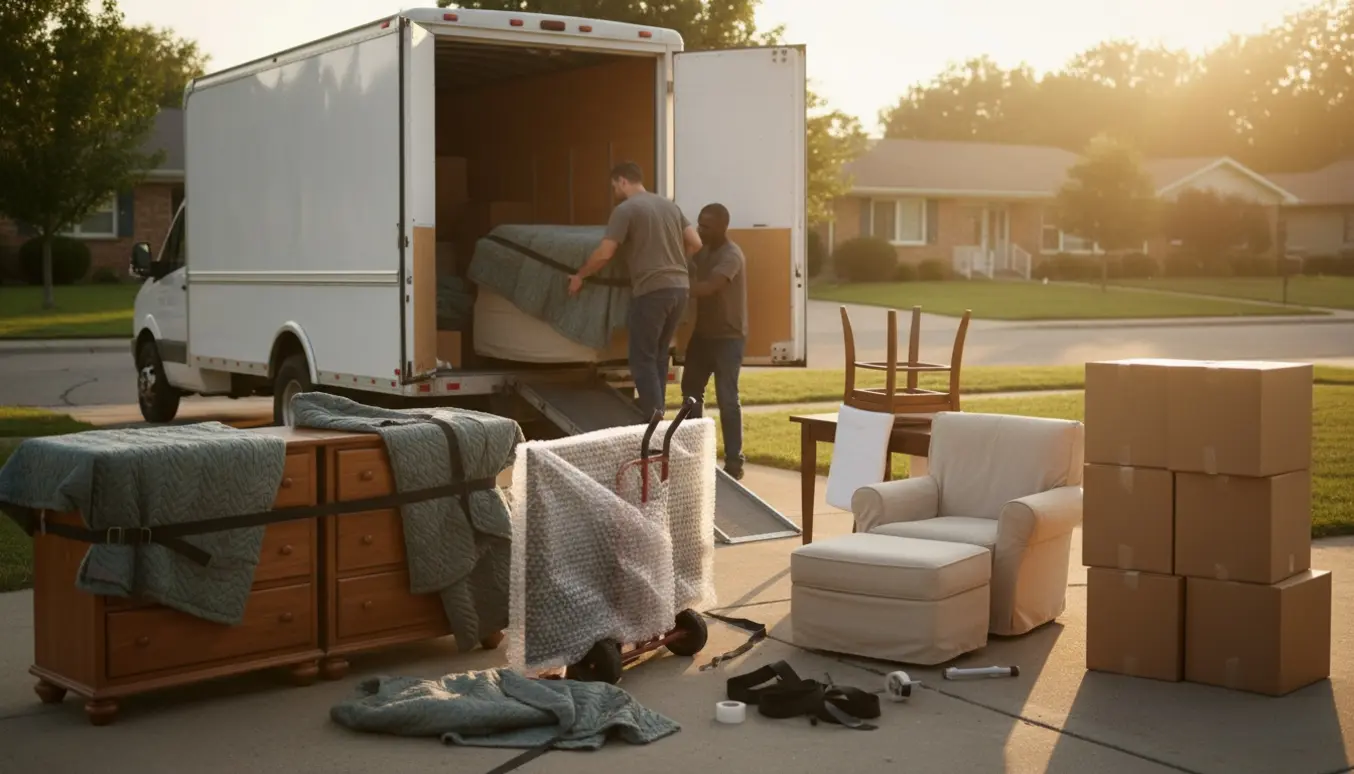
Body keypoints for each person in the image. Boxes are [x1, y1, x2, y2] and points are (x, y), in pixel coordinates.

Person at [569, 161, 701, 419]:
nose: (614, 190)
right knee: (660, 354)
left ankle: (653, 418)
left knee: (642, 357)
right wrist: (674, 263)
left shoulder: (625, 210)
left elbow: (605, 253)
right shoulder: (669, 206)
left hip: (652, 290)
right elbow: (695, 243)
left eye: (614, 186)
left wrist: (580, 275)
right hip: (680, 289)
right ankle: (658, 411)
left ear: (622, 181)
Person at [681, 203, 747, 480]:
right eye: (699, 224)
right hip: (703, 335)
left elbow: (709, 288)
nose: (700, 230)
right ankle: (696, 455)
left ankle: (734, 463)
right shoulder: (703, 251)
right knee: (690, 394)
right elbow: (688, 268)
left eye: (706, 226)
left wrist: (675, 286)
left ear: (722, 227)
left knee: (727, 400)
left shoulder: (731, 255)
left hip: (728, 338)